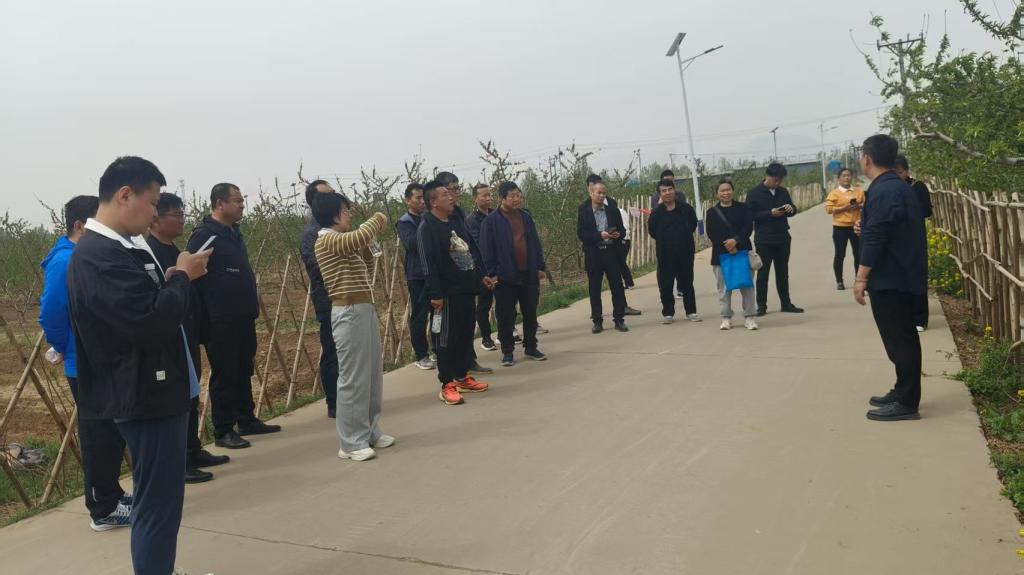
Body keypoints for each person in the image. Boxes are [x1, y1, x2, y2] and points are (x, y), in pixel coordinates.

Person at [68, 156, 211, 574]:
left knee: (161, 501)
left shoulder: (119, 248)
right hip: (143, 394)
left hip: (153, 389)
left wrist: (173, 279)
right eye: (152, 203)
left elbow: (143, 306)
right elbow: (148, 321)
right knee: (157, 505)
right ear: (125, 194)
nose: (154, 214)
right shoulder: (99, 256)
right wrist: (182, 277)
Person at [40, 194, 133, 531]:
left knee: (111, 432)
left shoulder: (84, 256)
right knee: (98, 435)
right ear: (80, 226)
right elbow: (51, 312)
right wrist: (65, 346)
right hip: (84, 363)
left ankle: (112, 493)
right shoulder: (66, 261)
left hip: (101, 359)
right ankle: (102, 508)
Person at [187, 183, 281, 450]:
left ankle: (246, 418)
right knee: (225, 372)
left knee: (243, 368)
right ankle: (224, 429)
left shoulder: (233, 233)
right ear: (220, 203)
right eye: (237, 200)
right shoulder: (205, 236)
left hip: (242, 315)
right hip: (220, 319)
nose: (242, 205)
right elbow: (193, 275)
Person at [146, 193, 230, 484]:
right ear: (155, 219)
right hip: (170, 334)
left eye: (183, 215)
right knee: (177, 398)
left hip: (188, 330)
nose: (182, 220)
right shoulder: (151, 254)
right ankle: (179, 460)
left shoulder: (176, 251)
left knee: (191, 394)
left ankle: (193, 449)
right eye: (176, 215)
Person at [312, 192, 394, 461]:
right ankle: (350, 442)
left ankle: (369, 431)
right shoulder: (326, 239)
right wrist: (378, 217)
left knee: (371, 374)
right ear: (333, 214)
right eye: (345, 211)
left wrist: (367, 246)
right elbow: (356, 237)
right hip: (347, 311)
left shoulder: (343, 242)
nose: (349, 215)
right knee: (353, 378)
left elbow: (366, 263)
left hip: (363, 308)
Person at [854, 135, 928, 422]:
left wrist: (861, 278)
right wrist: (865, 226)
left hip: (892, 277)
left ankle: (907, 401)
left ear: (867, 159)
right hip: (899, 273)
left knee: (900, 339)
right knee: (900, 337)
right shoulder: (894, 186)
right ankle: (902, 390)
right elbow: (884, 227)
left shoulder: (885, 190)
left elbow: (877, 237)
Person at [417, 180, 492, 406]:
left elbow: (469, 252)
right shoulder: (427, 228)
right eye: (444, 194)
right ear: (433, 202)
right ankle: (447, 383)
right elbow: (428, 264)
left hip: (465, 290)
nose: (450, 197)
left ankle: (461, 376)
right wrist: (435, 294)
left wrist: (480, 275)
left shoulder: (454, 221)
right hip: (446, 295)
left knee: (464, 335)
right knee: (445, 339)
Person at [479, 181, 547, 366]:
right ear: (502, 198)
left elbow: (535, 243)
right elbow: (486, 251)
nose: (517, 199)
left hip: (528, 273)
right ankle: (507, 351)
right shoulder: (491, 222)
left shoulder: (525, 217)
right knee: (506, 316)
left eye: (519, 195)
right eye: (513, 196)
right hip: (504, 277)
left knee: (530, 312)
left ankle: (531, 346)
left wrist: (540, 266)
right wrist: (493, 274)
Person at [436, 171, 493, 374]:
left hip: (466, 277)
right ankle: (451, 371)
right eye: (452, 189)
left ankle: (468, 362)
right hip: (448, 284)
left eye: (457, 189)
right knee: (450, 329)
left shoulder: (458, 213)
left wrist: (482, 273)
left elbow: (470, 245)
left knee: (468, 322)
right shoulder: (432, 221)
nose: (456, 193)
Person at [299, 180, 341, 417]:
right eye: (328, 194)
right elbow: (318, 269)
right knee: (333, 351)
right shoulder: (312, 234)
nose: (334, 197)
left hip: (347, 300)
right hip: (330, 302)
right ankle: (334, 402)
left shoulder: (338, 228)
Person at [746, 162, 805, 316]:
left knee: (783, 272)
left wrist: (791, 209)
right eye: (775, 180)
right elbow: (749, 215)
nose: (777, 183)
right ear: (768, 176)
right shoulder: (754, 193)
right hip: (764, 239)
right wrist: (769, 213)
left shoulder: (782, 192)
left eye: (780, 180)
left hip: (782, 237)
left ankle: (786, 303)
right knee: (763, 274)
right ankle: (761, 305)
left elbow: (792, 209)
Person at [578, 175, 630, 333]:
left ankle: (619, 319)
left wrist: (617, 235)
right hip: (594, 254)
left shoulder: (612, 210)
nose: (602, 196)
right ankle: (597, 320)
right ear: (591, 193)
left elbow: (622, 230)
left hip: (611, 252)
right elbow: (582, 234)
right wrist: (599, 235)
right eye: (599, 193)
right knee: (594, 288)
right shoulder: (584, 212)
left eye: (604, 193)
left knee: (617, 286)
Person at [705, 179, 758, 330]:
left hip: (742, 252)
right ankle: (726, 317)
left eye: (728, 189)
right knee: (723, 289)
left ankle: (749, 317)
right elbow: (712, 233)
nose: (726, 193)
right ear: (717, 193)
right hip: (721, 256)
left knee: (747, 287)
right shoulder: (712, 212)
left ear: (732, 191)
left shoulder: (743, 208)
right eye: (722, 190)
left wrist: (735, 241)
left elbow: (748, 228)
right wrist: (728, 246)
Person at [648, 179, 700, 324]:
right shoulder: (656, 213)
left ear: (674, 190)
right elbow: (652, 230)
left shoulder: (686, 209)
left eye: (670, 189)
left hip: (685, 251)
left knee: (687, 282)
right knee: (666, 284)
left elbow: (693, 224)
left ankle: (691, 311)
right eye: (664, 191)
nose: (668, 193)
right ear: (660, 194)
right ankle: (668, 313)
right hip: (665, 253)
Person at [396, 183, 435, 370]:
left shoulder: (429, 217)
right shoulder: (405, 222)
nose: (422, 202)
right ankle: (421, 354)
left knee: (438, 313)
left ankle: (438, 349)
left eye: (423, 198)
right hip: (417, 275)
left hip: (434, 273)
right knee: (420, 315)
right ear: (407, 200)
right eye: (418, 198)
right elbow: (412, 244)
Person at [894, 155, 933, 332]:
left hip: (915, 237)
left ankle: (920, 318)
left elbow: (927, 211)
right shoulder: (891, 188)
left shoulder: (917, 187)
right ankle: (904, 315)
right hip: (896, 239)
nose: (898, 176)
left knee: (917, 277)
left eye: (900, 172)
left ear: (906, 171)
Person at [465, 183, 498, 351]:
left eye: (489, 194)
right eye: (484, 195)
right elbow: (477, 246)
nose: (488, 198)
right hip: (483, 268)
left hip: (500, 265)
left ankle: (506, 332)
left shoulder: (497, 215)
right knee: (484, 304)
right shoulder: (471, 220)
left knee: (505, 301)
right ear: (475, 198)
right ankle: (486, 337)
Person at [824, 167, 865, 290]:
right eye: (844, 176)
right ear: (839, 178)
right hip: (840, 227)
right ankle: (839, 281)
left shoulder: (859, 191)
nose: (847, 178)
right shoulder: (834, 193)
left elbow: (867, 204)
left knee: (859, 254)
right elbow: (828, 209)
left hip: (856, 226)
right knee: (840, 254)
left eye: (848, 175)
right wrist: (844, 208)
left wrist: (859, 206)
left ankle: (859, 280)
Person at [617, 202, 636, 290]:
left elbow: (625, 227)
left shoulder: (621, 212)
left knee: (621, 262)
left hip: (624, 240)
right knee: (620, 262)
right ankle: (627, 283)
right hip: (618, 240)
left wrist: (622, 238)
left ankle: (629, 283)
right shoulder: (612, 213)